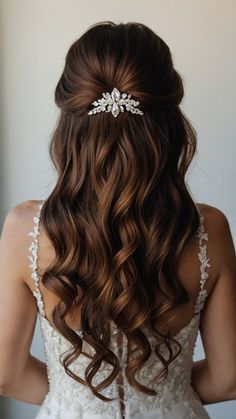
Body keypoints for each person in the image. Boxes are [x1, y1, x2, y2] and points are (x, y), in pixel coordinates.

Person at [0, 21, 235, 419]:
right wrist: (162, 395)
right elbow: (229, 377)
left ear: (70, 119)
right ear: (169, 121)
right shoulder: (207, 229)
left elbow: (6, 374)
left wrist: (76, 400)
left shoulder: (25, 228)